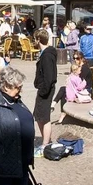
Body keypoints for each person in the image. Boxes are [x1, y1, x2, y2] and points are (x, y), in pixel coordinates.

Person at [32, 29, 58, 158]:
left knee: (44, 117)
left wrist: (43, 90)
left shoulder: (47, 55)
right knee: (38, 115)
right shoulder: (45, 53)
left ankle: (45, 144)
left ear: (38, 39)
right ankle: (45, 141)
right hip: (43, 88)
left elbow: (49, 76)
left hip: (46, 90)